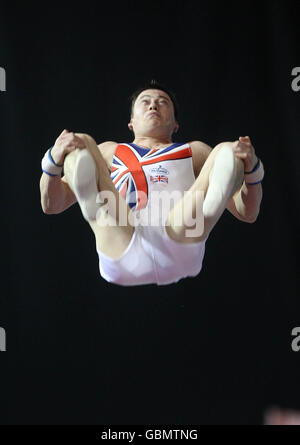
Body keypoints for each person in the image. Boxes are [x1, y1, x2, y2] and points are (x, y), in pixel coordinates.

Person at [40, 80, 264, 286]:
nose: (153, 106)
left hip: (179, 237)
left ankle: (208, 209)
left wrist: (252, 172)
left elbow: (247, 212)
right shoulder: (108, 152)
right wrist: (53, 161)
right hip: (122, 239)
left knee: (227, 149)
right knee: (81, 142)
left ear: (176, 124)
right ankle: (95, 208)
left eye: (162, 102)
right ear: (131, 122)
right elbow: (53, 205)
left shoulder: (195, 152)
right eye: (145, 102)